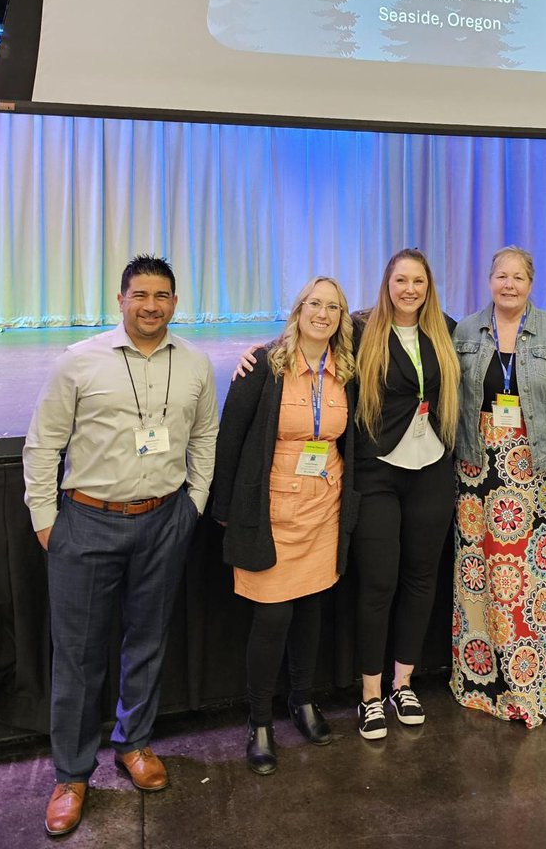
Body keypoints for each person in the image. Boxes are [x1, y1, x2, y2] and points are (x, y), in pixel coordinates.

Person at [22, 254, 218, 836]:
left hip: (164, 520)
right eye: (140, 295)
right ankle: (72, 774)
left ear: (175, 302)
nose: (151, 305)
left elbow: (205, 434)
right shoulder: (80, 363)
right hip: (86, 523)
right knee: (78, 657)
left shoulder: (195, 364)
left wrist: (195, 503)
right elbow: (41, 445)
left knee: (148, 641)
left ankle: (134, 744)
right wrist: (45, 519)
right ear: (121, 299)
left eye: (162, 296)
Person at [211, 277, 359, 775]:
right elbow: (230, 438)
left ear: (343, 316)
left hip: (325, 509)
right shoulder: (263, 365)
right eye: (314, 304)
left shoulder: (347, 370)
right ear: (297, 309)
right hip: (271, 512)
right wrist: (226, 509)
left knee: (312, 610)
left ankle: (302, 700)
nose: (323, 313)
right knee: (272, 618)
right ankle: (258, 722)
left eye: (333, 306)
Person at [450, 246, 546, 727]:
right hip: (478, 473)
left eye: (518, 277)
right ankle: (484, 684)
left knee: (540, 584)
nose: (508, 284)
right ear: (488, 279)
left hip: (540, 470)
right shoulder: (466, 330)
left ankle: (541, 685)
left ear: (532, 283)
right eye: (500, 276)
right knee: (483, 581)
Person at [351, 249, 460, 739]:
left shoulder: (448, 330)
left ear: (429, 285)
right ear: (387, 282)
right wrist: (262, 351)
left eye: (418, 280)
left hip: (432, 469)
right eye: (401, 279)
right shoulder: (360, 330)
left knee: (420, 579)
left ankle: (403, 683)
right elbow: (304, 336)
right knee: (377, 584)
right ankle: (371, 695)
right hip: (379, 472)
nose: (409, 289)